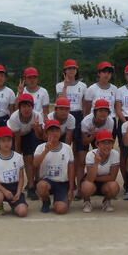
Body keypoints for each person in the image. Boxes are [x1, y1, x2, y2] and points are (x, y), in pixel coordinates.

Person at [56, 59, 87, 188]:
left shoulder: (83, 86)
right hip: (64, 115)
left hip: (78, 115)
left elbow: (84, 105)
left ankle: (77, 181)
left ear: (77, 70)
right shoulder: (59, 85)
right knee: (65, 148)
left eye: (74, 68)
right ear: (65, 71)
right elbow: (61, 101)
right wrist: (65, 86)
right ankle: (68, 180)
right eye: (69, 68)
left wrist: (84, 119)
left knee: (77, 151)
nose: (71, 71)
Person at [7, 93, 44, 200]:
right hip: (14, 135)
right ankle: (12, 185)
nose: (26, 109)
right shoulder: (14, 117)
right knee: (14, 160)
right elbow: (17, 138)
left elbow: (40, 136)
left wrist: (36, 128)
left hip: (29, 132)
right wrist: (18, 154)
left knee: (29, 159)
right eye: (23, 106)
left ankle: (31, 186)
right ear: (19, 108)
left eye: (29, 106)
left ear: (33, 107)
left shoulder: (37, 116)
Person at [34, 120, 75, 214]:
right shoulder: (40, 147)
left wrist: (71, 189)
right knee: (41, 186)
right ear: (46, 133)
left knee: (61, 209)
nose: (54, 133)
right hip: (47, 181)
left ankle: (60, 200)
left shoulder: (67, 148)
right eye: (51, 131)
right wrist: (45, 151)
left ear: (60, 132)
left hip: (62, 183)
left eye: (57, 131)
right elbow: (35, 164)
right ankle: (46, 201)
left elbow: (71, 169)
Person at [0, 126, 28, 217]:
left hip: (15, 186)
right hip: (0, 187)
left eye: (9, 140)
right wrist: (5, 191)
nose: (6, 143)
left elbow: (21, 178)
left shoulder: (18, 157)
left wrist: (18, 192)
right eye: (3, 140)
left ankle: (15, 206)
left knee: (23, 212)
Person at [79, 129, 120, 212]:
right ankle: (87, 201)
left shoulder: (115, 154)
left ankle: (106, 201)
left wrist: (95, 178)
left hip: (104, 182)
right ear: (97, 144)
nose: (107, 146)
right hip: (92, 182)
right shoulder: (90, 154)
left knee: (114, 187)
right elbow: (90, 179)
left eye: (109, 143)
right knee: (87, 187)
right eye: (103, 143)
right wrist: (96, 163)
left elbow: (112, 178)